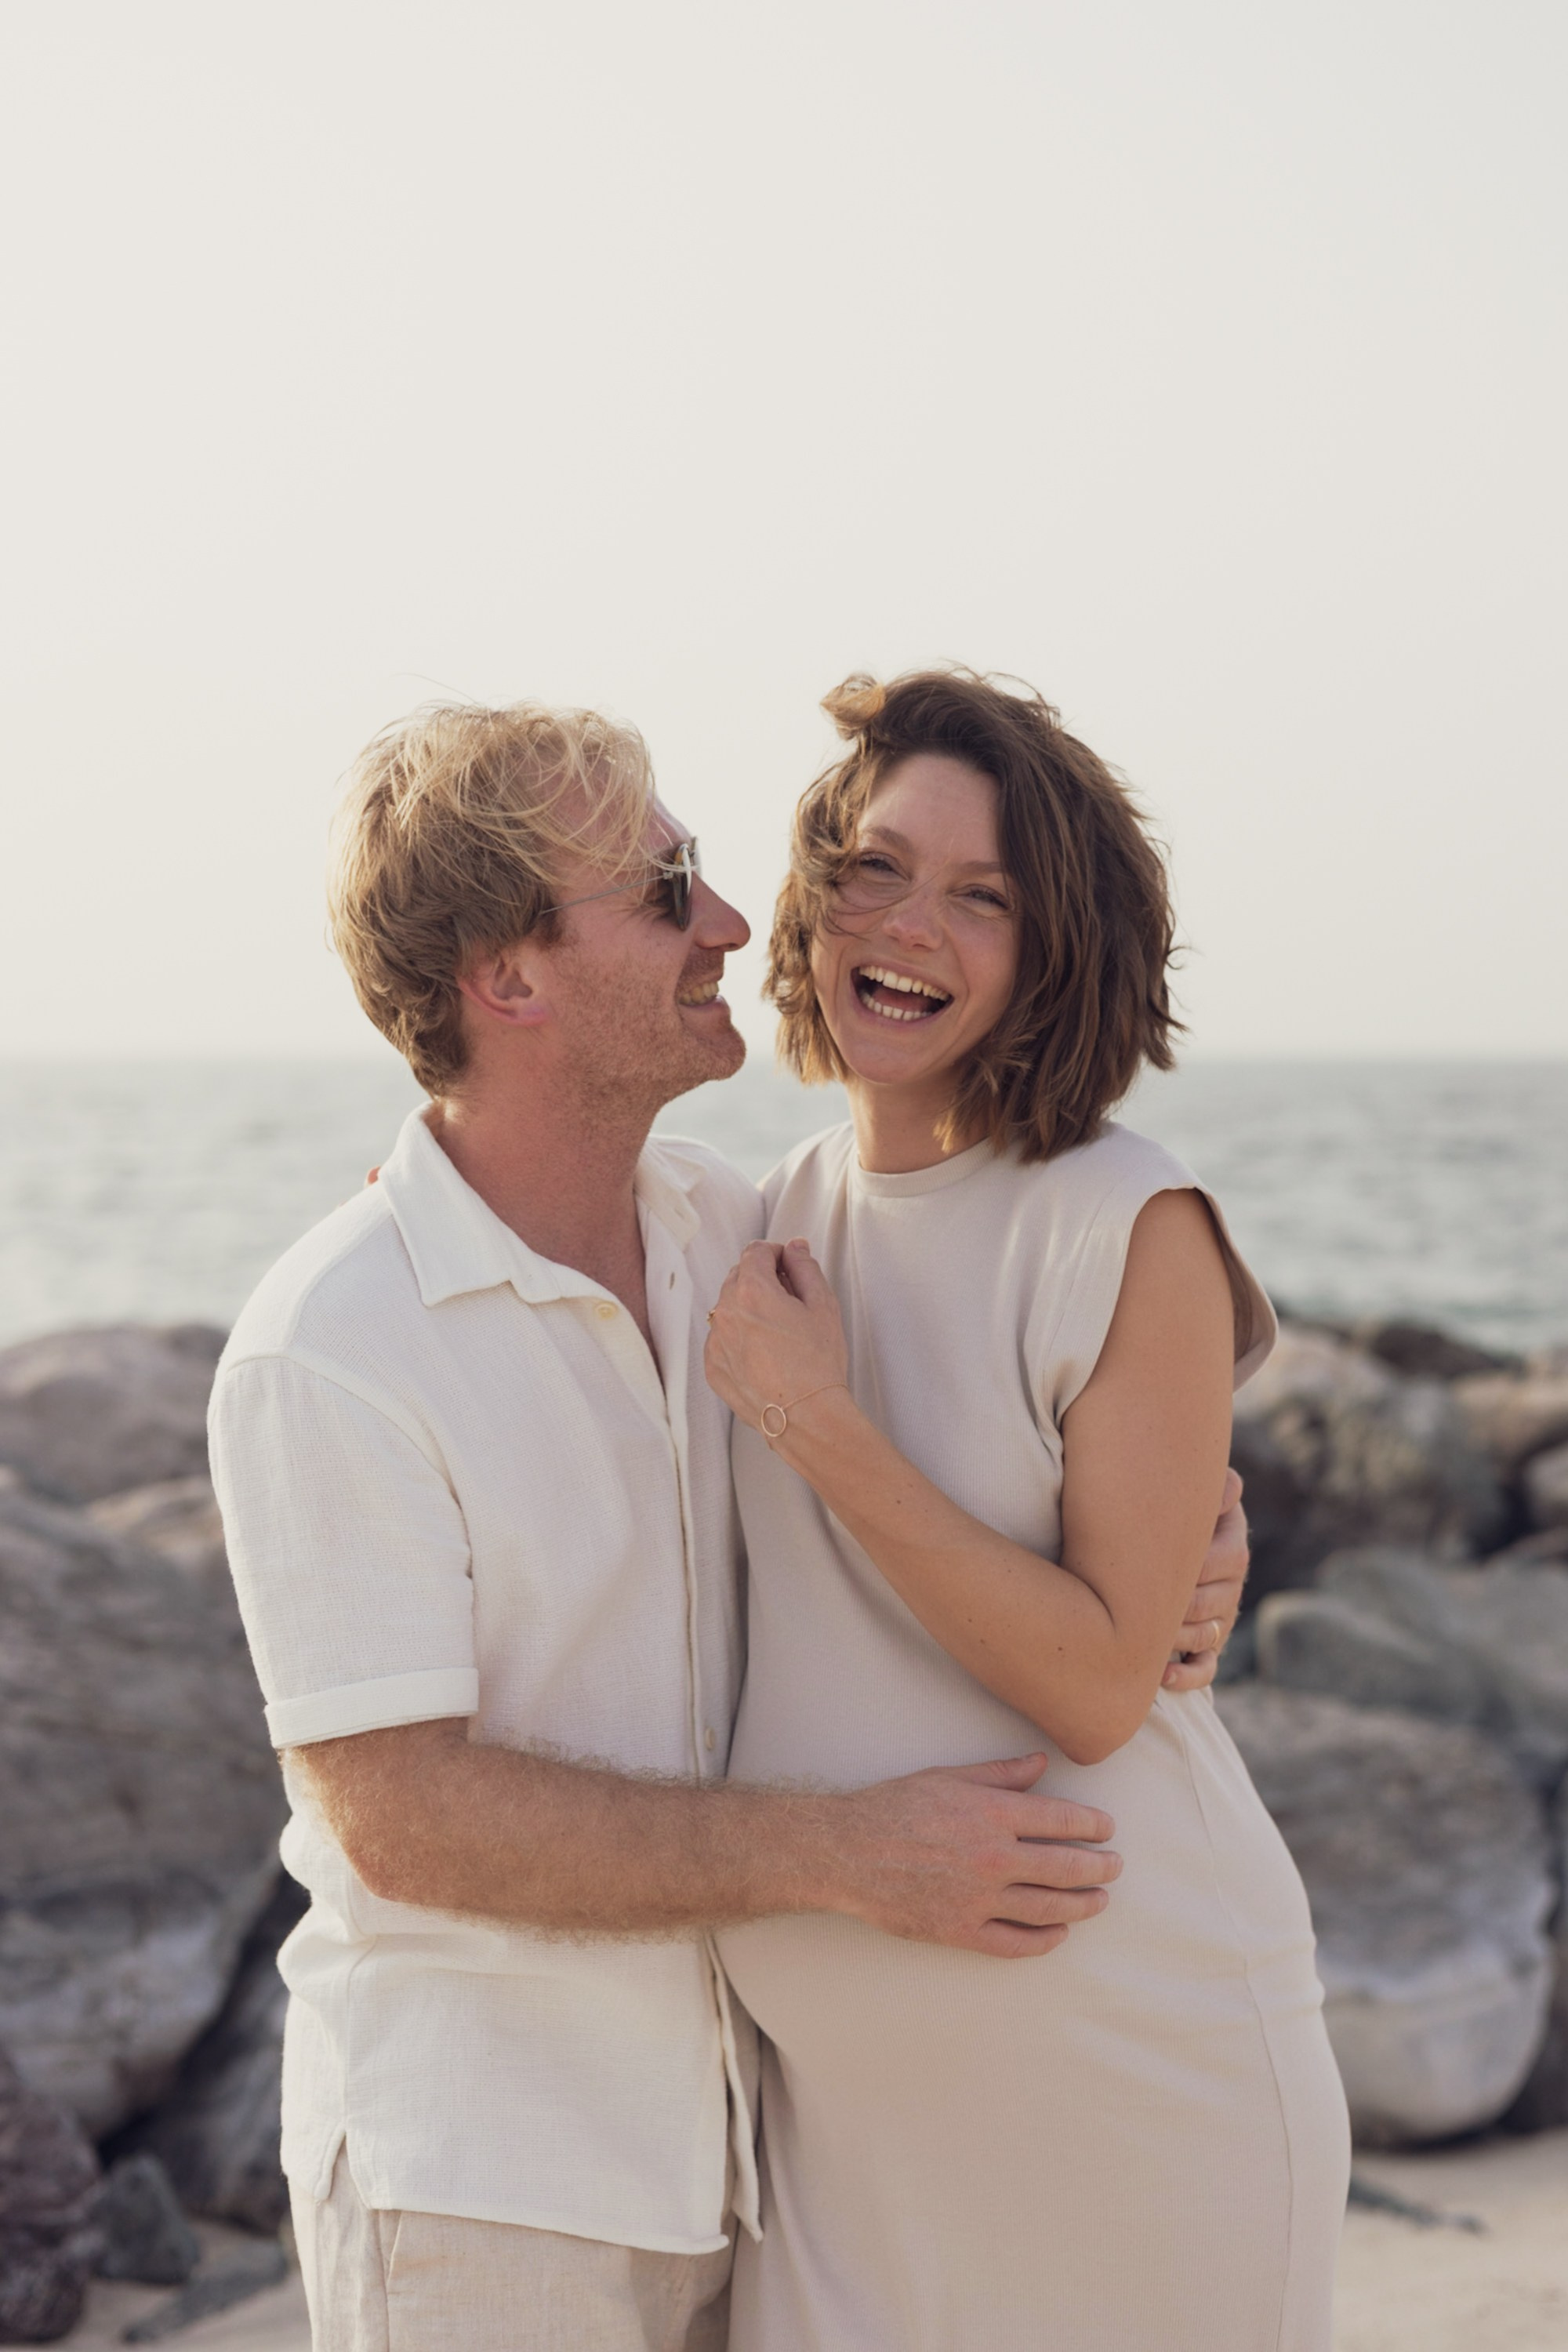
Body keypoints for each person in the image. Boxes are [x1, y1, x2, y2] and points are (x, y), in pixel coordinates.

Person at [209, 698, 1249, 2352]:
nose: (729, 920)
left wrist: (1187, 1528)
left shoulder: (732, 1236)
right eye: (660, 887)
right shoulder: (333, 1346)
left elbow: (987, 1399)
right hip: (491, 2194)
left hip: (758, 2171)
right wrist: (842, 1857)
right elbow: (400, 1816)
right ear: (511, 978)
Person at [706, 669, 1352, 2352]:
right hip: (843, 2151)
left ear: (1058, 950)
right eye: (875, 866)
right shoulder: (753, 1217)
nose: (907, 924)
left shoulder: (1126, 1228)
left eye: (981, 898)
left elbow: (1088, 1685)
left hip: (1140, 2091)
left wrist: (819, 1427)